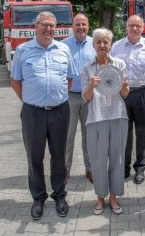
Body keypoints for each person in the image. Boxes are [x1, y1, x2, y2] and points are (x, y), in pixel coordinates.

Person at [10, 11, 76, 220]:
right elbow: (15, 81)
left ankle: (59, 195)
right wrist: (31, 101)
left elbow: (69, 79)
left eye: (52, 26)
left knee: (58, 156)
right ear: (36, 26)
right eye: (44, 25)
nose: (48, 29)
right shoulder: (23, 50)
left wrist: (53, 97)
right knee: (35, 156)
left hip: (59, 111)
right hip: (33, 113)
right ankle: (38, 197)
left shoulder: (64, 49)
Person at [81, 28, 129, 215]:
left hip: (117, 115)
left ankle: (114, 198)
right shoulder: (87, 68)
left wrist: (124, 87)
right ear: (93, 45)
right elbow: (85, 98)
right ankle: (100, 197)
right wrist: (91, 87)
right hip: (96, 117)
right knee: (98, 160)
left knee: (117, 159)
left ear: (110, 45)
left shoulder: (119, 64)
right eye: (98, 42)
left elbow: (125, 94)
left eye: (105, 42)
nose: (102, 45)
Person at [109, 15, 145, 184]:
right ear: (126, 26)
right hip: (122, 95)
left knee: (143, 133)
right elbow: (109, 70)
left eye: (138, 26)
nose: (135, 29)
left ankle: (140, 168)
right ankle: (124, 168)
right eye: (131, 25)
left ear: (143, 28)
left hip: (143, 94)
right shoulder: (116, 47)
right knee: (124, 135)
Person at [62, 13, 96, 182]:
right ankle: (65, 169)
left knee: (88, 135)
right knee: (67, 135)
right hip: (69, 96)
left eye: (83, 24)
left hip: (89, 97)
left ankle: (89, 169)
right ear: (72, 26)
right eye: (77, 24)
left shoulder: (94, 44)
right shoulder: (63, 45)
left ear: (88, 25)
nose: (81, 27)